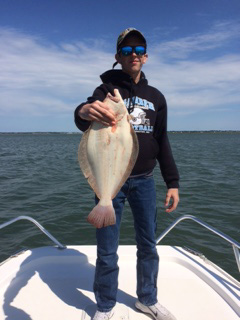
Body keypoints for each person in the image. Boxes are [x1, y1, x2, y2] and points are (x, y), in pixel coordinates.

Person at [74, 28, 179, 320]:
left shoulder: (156, 97)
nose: (133, 55)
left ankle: (147, 299)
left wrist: (173, 182)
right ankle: (105, 306)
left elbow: (163, 140)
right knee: (107, 251)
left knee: (148, 245)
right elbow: (83, 116)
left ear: (145, 57)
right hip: (109, 185)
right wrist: (84, 111)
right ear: (118, 57)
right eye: (126, 50)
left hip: (145, 181)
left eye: (138, 50)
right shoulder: (104, 92)